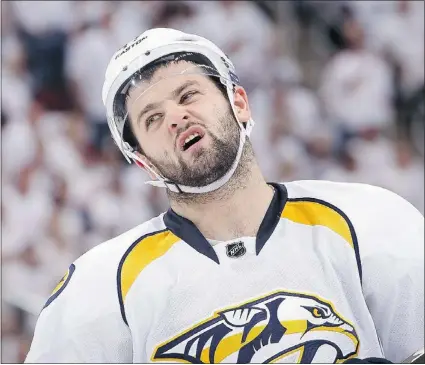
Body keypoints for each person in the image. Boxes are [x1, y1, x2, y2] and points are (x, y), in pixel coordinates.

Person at [25, 28, 424, 364]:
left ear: (240, 103)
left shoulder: (370, 220)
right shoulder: (98, 289)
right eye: (153, 118)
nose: (177, 118)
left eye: (188, 95)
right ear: (143, 162)